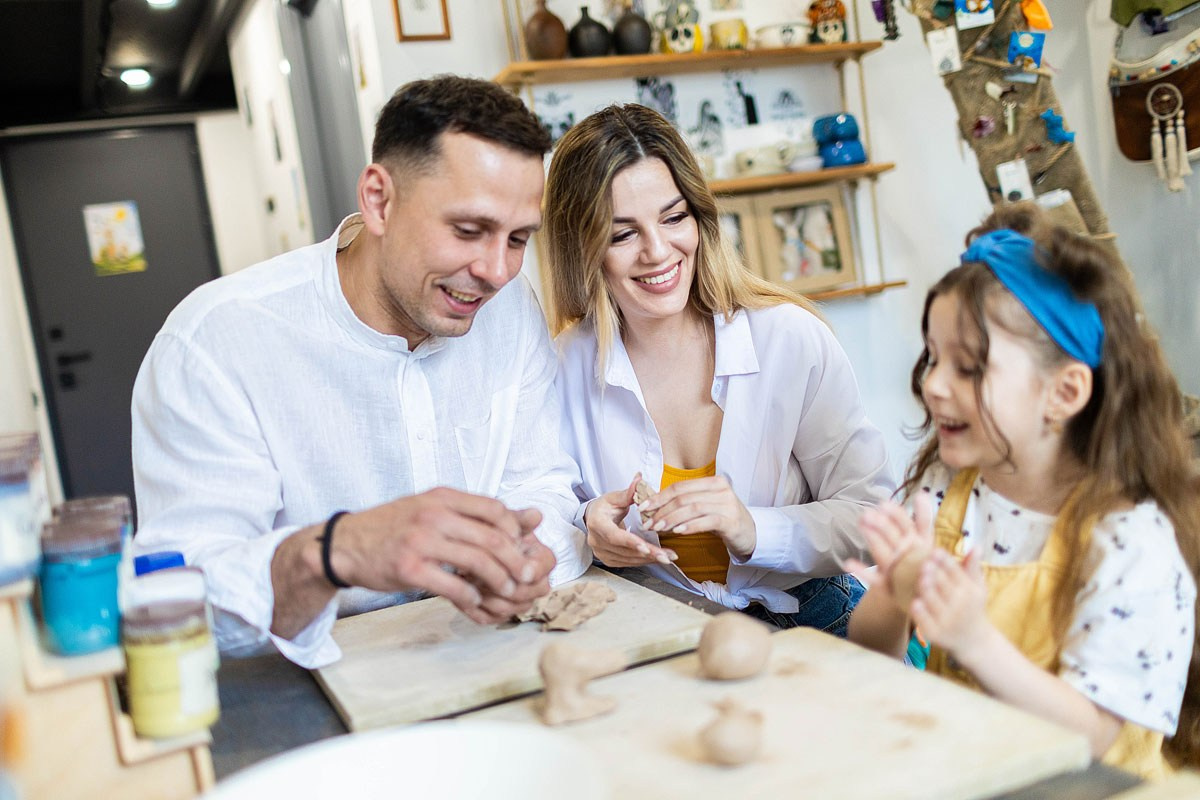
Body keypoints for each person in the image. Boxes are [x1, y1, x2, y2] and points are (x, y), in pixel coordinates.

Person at [130, 76, 589, 669]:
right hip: (301, 689)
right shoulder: (216, 343)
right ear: (379, 200)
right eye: (468, 231)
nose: (497, 270)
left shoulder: (509, 305)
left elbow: (542, 483)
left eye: (519, 239)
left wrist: (527, 556)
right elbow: (181, 606)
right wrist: (332, 552)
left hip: (488, 656)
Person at [846, 203, 1200, 778]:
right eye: (933, 358)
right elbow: (871, 656)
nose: (933, 384)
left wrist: (974, 640)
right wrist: (893, 592)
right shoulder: (948, 491)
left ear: (1063, 393)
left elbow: (1091, 738)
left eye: (969, 367)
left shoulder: (1131, 541)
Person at [545, 104, 893, 636]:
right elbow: (538, 506)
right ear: (583, 249)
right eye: (622, 235)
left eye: (674, 217)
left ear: (700, 217)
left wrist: (754, 529)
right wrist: (588, 526)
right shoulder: (560, 367)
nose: (658, 251)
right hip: (653, 634)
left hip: (812, 624)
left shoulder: (789, 339)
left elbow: (874, 519)